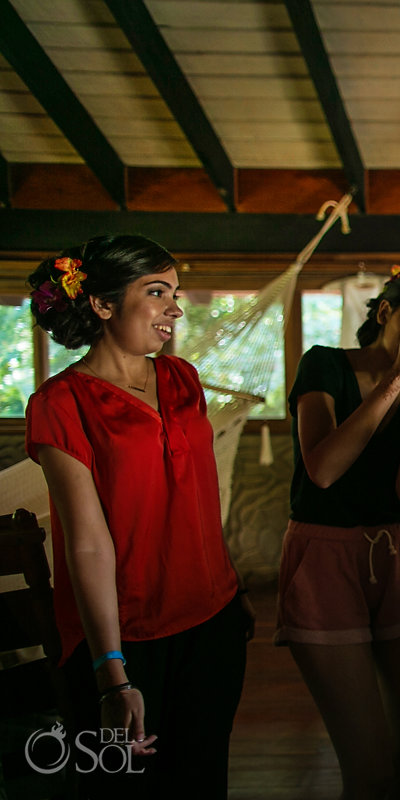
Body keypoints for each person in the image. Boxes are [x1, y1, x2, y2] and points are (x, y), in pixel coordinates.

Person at [23, 235, 253, 799]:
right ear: (102, 304)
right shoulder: (60, 404)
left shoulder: (183, 379)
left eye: (175, 292)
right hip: (127, 638)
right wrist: (111, 670)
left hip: (214, 624)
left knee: (203, 781)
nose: (175, 308)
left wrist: (230, 593)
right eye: (156, 292)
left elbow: (198, 497)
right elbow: (86, 545)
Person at [276, 268, 400, 800]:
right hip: (325, 557)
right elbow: (324, 469)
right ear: (383, 314)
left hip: (397, 552)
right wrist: (398, 377)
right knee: (371, 772)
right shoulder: (324, 365)